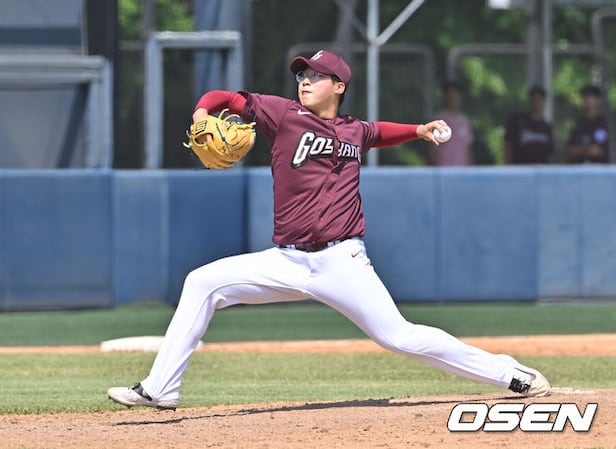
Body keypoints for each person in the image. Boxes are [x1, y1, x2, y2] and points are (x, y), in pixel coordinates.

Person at [108, 50, 551, 411]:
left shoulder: (352, 130)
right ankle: (161, 388)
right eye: (302, 74)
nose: (305, 81)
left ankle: (508, 373)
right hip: (287, 259)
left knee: (400, 337)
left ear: (338, 86)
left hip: (343, 261)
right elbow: (221, 96)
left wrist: (418, 130)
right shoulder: (281, 114)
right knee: (201, 282)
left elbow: (377, 132)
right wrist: (202, 113)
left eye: (316, 76)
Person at [504, 86, 554, 164]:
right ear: (530, 101)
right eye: (535, 99)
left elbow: (551, 153)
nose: (537, 103)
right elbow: (508, 145)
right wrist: (508, 166)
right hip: (521, 167)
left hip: (541, 168)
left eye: (540, 100)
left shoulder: (546, 127)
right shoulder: (518, 122)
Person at [428, 80, 474, 166]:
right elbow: (431, 149)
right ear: (445, 97)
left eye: (456, 94)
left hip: (462, 171)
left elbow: (468, 149)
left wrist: (470, 170)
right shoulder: (438, 120)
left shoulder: (464, 121)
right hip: (443, 170)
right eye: (450, 94)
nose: (453, 98)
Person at [566, 85, 610, 163]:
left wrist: (580, 149)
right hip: (579, 167)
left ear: (597, 100)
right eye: (585, 97)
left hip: (598, 168)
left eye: (591, 97)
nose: (588, 100)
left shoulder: (602, 123)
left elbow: (597, 150)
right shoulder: (578, 124)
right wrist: (587, 149)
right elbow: (570, 150)